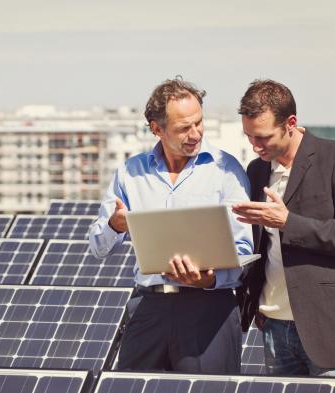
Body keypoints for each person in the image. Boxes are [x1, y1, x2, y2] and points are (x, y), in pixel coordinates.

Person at [89, 77, 253, 373]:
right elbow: (98, 249)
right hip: (149, 309)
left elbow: (244, 250)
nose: (195, 134)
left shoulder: (226, 170)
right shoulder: (130, 172)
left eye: (199, 123)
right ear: (157, 129)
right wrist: (115, 224)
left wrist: (209, 279)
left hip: (209, 310)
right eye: (183, 128)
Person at [232, 79, 335, 376]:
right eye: (249, 137)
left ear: (291, 123)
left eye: (262, 137)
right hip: (273, 326)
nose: (255, 146)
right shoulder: (257, 170)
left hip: (328, 328)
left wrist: (288, 222)